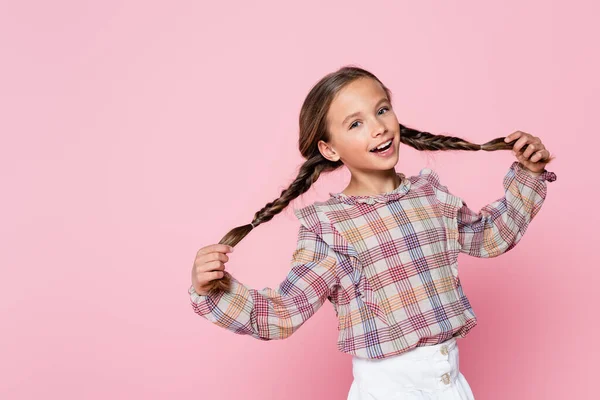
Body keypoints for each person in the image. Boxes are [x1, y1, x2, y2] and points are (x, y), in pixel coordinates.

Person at [188, 66, 557, 399]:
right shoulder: (331, 227)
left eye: (382, 110)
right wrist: (212, 291)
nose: (379, 127)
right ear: (329, 149)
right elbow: (284, 313)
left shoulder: (430, 197)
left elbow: (491, 236)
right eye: (355, 124)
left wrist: (529, 172)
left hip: (452, 386)